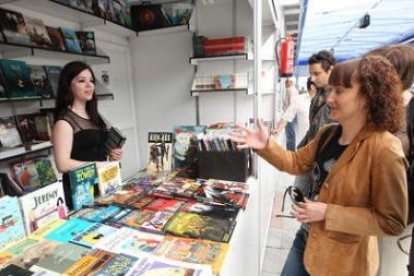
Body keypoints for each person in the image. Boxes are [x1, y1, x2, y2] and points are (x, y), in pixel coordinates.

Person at [230, 56, 408, 275]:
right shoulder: (328, 134)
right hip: (307, 238)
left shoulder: (384, 149)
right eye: (331, 89)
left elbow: (392, 221)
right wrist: (265, 146)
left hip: (343, 260)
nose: (330, 98)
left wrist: (327, 212)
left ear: (367, 97)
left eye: (340, 91)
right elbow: (295, 162)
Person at [364, 44, 414, 275]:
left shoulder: (409, 110)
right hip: (368, 205)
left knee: (386, 269)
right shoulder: (380, 105)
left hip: (398, 211)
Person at [52, 61, 123, 209]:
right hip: (80, 190)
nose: (89, 85)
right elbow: (62, 164)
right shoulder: (64, 121)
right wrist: (98, 166)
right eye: (81, 81)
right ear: (68, 85)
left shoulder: (94, 116)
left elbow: (94, 150)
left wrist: (112, 153)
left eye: (91, 81)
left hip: (102, 185)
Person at [273, 77, 317, 148]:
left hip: (321, 146)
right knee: (291, 135)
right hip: (304, 146)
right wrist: (278, 130)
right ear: (312, 87)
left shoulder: (325, 100)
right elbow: (286, 117)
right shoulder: (299, 99)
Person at [281, 79, 299, 150]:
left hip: (290, 115)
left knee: (290, 134)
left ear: (289, 83)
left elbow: (291, 105)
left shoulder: (290, 90)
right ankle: (290, 150)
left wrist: (286, 112)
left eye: (286, 83)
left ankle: (290, 151)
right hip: (291, 114)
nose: (285, 85)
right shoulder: (292, 90)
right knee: (290, 133)